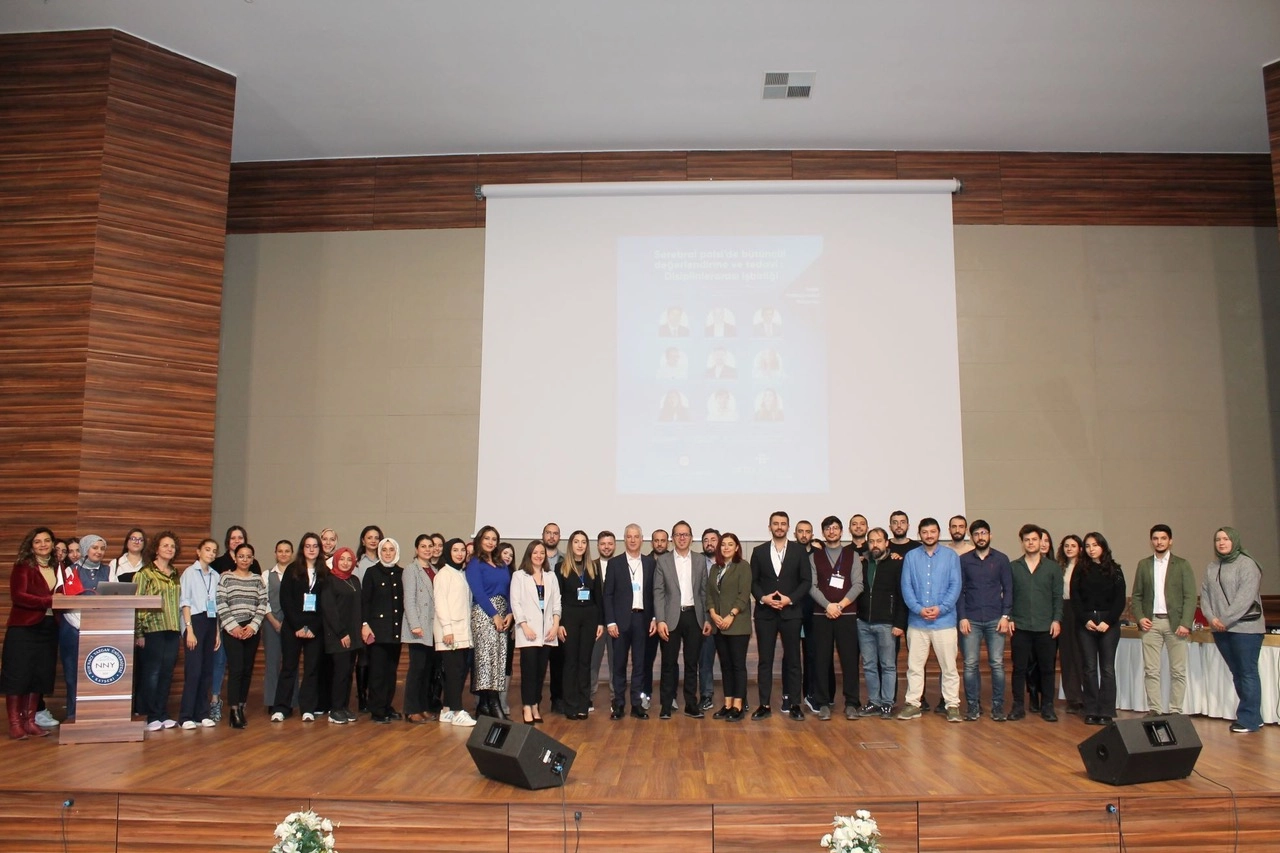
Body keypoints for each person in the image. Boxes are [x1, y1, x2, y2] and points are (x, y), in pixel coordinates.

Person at [1200, 527, 1266, 733]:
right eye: (1218, 539)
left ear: (1234, 541)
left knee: (1247, 672)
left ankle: (1248, 720)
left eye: (1226, 539)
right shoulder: (1212, 567)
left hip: (1246, 628)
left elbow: (1245, 598)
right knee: (1237, 672)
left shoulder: (1247, 564)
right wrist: (1212, 618)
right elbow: (1205, 596)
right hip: (1221, 629)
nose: (1221, 543)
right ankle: (1254, 716)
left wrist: (1224, 619)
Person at [897, 518, 963, 722]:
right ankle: (913, 704)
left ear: (938, 533)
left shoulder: (951, 556)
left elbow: (955, 585)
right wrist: (918, 609)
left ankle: (952, 705)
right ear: (919, 534)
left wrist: (941, 608)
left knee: (949, 667)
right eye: (925, 532)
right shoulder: (911, 557)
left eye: (932, 531)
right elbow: (906, 586)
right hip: (917, 622)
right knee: (915, 667)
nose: (929, 535)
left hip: (944, 622)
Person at [749, 510, 811, 721]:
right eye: (775, 524)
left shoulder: (799, 551)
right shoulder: (758, 551)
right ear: (770, 527)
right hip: (765, 613)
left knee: (793, 660)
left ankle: (794, 704)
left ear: (788, 527)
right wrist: (763, 598)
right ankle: (764, 704)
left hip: (791, 612)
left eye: (783, 524)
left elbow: (806, 581)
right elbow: (753, 582)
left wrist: (790, 599)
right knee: (765, 661)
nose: (779, 527)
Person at [1130, 524, 1197, 716]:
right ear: (1151, 541)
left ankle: (1176, 710)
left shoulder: (1182, 564)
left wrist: (1185, 623)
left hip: (1175, 623)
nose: (1159, 542)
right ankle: (1155, 709)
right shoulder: (1144, 564)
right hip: (1151, 623)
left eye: (1163, 538)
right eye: (1155, 538)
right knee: (1151, 670)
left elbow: (1190, 596)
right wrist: (1140, 617)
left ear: (1170, 541)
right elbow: (1136, 595)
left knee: (1178, 670)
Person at [3, 528, 59, 739]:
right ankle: (15, 723)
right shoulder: (23, 566)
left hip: (49, 627)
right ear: (31, 545)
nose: (43, 544)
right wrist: (48, 601)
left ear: (53, 544)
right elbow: (18, 596)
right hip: (24, 627)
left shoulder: (58, 567)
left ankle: (30, 721)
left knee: (39, 675)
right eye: (38, 541)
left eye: (47, 540)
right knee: (18, 675)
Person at [807, 516, 863, 721]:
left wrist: (839, 606)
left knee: (849, 659)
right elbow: (811, 586)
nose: (832, 531)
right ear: (823, 532)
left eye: (835, 528)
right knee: (821, 659)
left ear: (841, 532)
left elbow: (858, 584)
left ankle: (852, 703)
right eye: (828, 528)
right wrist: (828, 605)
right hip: (821, 614)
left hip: (846, 614)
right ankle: (823, 702)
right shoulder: (814, 557)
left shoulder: (852, 555)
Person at [653, 520, 710, 719]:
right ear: (672, 538)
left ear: (691, 538)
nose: (682, 538)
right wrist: (660, 620)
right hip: (670, 618)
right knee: (668, 663)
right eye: (678, 534)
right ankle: (666, 704)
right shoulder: (663, 561)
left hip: (694, 616)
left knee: (692, 663)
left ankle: (691, 704)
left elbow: (704, 592)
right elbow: (658, 592)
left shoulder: (700, 560)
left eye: (685, 534)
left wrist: (707, 619)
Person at [957, 520, 1012, 721]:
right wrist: (962, 617)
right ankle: (973, 706)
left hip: (995, 619)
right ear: (971, 537)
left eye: (984, 533)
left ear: (990, 535)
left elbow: (1009, 589)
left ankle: (997, 707)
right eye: (976, 534)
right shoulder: (963, 560)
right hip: (970, 619)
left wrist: (1006, 616)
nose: (980, 537)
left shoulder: (1001, 559)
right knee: (970, 664)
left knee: (997, 664)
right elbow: (959, 591)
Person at [1008, 525, 1063, 722]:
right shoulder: (1014, 567)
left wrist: (1056, 620)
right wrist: (1009, 617)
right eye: (1027, 540)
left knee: (1047, 669)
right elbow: (1008, 595)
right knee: (1019, 669)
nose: (1030, 543)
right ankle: (1018, 706)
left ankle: (1048, 706)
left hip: (1045, 626)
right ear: (1022, 543)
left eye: (1034, 539)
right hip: (1020, 626)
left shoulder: (1053, 568)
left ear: (1041, 542)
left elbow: (1057, 596)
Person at [55, 533, 112, 722]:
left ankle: (97, 716)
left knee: (97, 673)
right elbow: (62, 599)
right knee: (73, 674)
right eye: (95, 547)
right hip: (72, 627)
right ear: (86, 549)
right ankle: (73, 716)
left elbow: (117, 597)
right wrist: (80, 623)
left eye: (102, 548)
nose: (99, 552)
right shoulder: (70, 571)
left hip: (100, 628)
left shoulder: (109, 570)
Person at [272, 532, 327, 723]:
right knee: (289, 667)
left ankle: (308, 708)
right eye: (307, 546)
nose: (311, 549)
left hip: (315, 629)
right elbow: (285, 599)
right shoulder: (292, 569)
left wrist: (312, 627)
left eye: (315, 546)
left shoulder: (325, 572)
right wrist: (298, 625)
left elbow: (326, 604)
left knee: (311, 669)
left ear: (319, 549)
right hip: (292, 627)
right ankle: (281, 708)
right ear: (302, 549)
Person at [603, 523, 656, 720]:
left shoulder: (650, 563)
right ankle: (618, 704)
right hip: (620, 622)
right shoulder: (615, 563)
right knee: (619, 664)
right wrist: (610, 622)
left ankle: (637, 704)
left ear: (642, 539)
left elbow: (654, 593)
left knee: (640, 664)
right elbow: (607, 595)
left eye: (636, 536)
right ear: (624, 539)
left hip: (643, 619)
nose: (633, 540)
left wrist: (654, 617)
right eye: (629, 536)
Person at [1072, 533, 1126, 726]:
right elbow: (1075, 598)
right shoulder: (1080, 569)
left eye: (1095, 545)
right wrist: (1085, 619)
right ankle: (1091, 709)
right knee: (1089, 668)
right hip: (1086, 623)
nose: (1091, 549)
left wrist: (1108, 621)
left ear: (1103, 546)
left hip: (1108, 623)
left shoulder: (1115, 570)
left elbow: (1120, 599)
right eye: (1087, 546)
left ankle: (1106, 711)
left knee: (1107, 668)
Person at [134, 531, 183, 732]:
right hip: (152, 629)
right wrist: (139, 633)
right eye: (165, 545)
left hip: (172, 628)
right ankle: (149, 715)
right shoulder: (145, 573)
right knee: (151, 673)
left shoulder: (175, 574)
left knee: (166, 673)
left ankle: (162, 713)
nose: (170, 549)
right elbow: (137, 604)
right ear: (156, 548)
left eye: (172, 546)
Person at [216, 542, 268, 729]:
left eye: (248, 556)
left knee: (247, 669)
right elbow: (221, 602)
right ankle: (234, 710)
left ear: (252, 559)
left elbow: (263, 603)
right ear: (235, 558)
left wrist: (253, 626)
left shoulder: (257, 579)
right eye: (241, 556)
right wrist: (233, 627)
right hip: (232, 629)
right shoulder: (226, 578)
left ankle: (241, 705)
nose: (245, 559)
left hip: (251, 629)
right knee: (236, 669)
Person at [855, 528, 906, 718]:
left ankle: (887, 703)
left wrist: (899, 623)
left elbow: (901, 596)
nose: (875, 545)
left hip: (887, 623)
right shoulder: (862, 564)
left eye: (879, 541)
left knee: (888, 665)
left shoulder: (896, 564)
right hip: (863, 622)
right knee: (869, 665)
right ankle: (874, 701)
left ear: (886, 543)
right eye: (871, 541)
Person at [511, 542, 562, 724]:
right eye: (535, 552)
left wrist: (555, 625)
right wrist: (524, 626)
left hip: (547, 632)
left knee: (540, 672)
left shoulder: (551, 576)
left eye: (542, 553)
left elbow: (557, 603)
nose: (539, 556)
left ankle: (535, 705)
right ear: (529, 554)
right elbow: (515, 603)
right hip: (528, 632)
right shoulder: (519, 576)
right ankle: (527, 706)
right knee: (529, 671)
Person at [557, 531, 603, 721]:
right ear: (571, 545)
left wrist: (600, 622)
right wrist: (559, 623)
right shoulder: (561, 567)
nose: (580, 545)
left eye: (583, 542)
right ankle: (570, 705)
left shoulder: (593, 567)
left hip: (590, 617)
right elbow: (557, 598)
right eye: (576, 542)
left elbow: (598, 596)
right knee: (570, 662)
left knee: (585, 662)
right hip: (569, 616)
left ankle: (584, 705)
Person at [466, 525, 512, 719]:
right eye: (487, 538)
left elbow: (508, 590)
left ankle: (484, 706)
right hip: (484, 614)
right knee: (485, 660)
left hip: (502, 614)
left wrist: (509, 613)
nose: (490, 542)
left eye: (494, 539)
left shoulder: (501, 564)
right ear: (479, 540)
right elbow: (478, 592)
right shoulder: (475, 563)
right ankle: (493, 704)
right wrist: (494, 615)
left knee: (498, 660)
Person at [177, 538, 221, 729]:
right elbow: (185, 602)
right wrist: (189, 630)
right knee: (193, 670)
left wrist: (217, 632)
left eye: (214, 551)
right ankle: (185, 715)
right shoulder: (189, 572)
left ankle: (201, 713)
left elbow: (216, 606)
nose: (211, 553)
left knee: (206, 670)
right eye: (207, 549)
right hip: (194, 621)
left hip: (211, 621)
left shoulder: (215, 575)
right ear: (198, 551)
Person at [707, 533, 751, 722]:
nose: (726, 547)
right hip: (719, 625)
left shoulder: (743, 566)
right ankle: (727, 704)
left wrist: (731, 615)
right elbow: (709, 594)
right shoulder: (715, 568)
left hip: (737, 625)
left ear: (737, 547)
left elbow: (744, 594)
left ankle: (738, 706)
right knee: (725, 666)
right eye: (723, 544)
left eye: (730, 544)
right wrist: (713, 614)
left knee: (737, 665)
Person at [361, 537, 405, 724]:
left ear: (396, 552)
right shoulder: (372, 572)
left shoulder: (401, 573)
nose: (388, 553)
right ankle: (377, 710)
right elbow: (365, 601)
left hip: (395, 631)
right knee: (378, 672)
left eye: (391, 549)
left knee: (391, 671)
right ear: (380, 552)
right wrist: (364, 624)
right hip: (377, 631)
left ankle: (387, 705)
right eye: (384, 550)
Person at [434, 538, 476, 727]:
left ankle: (447, 710)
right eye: (455, 550)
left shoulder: (461, 573)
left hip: (462, 631)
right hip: (450, 632)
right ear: (448, 552)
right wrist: (447, 629)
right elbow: (441, 603)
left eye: (462, 550)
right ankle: (458, 711)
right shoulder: (443, 574)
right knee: (453, 673)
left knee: (458, 672)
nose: (460, 553)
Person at [321, 547, 362, 725]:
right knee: (340, 673)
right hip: (338, 635)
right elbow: (329, 610)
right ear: (336, 561)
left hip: (354, 635)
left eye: (349, 559)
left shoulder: (354, 580)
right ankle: (335, 709)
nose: (345, 562)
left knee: (348, 672)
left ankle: (344, 706)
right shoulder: (329, 581)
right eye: (342, 559)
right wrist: (342, 633)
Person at [402, 534, 438, 723]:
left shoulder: (434, 570)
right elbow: (409, 599)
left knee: (427, 670)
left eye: (430, 546)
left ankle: (423, 707)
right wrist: (415, 625)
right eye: (423, 546)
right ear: (416, 549)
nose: (427, 549)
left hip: (432, 627)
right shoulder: (411, 569)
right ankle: (411, 709)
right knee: (416, 670)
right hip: (418, 627)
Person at [261, 539, 293, 713]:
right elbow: (263, 600)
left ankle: (289, 701)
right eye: (280, 551)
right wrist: (273, 621)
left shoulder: (298, 574)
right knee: (272, 662)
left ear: (292, 554)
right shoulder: (267, 575)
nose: (283, 554)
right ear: (275, 553)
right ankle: (272, 700)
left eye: (287, 551)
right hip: (271, 621)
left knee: (290, 662)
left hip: (291, 622)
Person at [1056, 535, 1085, 714]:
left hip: (1080, 610)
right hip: (1063, 610)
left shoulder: (1085, 568)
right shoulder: (1059, 567)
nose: (1069, 549)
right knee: (1066, 655)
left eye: (1073, 546)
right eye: (1066, 545)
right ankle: (1072, 698)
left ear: (1080, 548)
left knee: (1081, 653)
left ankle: (1085, 695)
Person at [589, 531, 618, 712]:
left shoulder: (621, 565)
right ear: (598, 546)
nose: (606, 547)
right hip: (596, 625)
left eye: (610, 543)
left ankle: (616, 698)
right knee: (592, 662)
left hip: (616, 623)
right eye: (603, 544)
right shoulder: (590, 566)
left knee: (616, 663)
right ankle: (588, 697)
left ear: (614, 545)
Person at [541, 524, 565, 715]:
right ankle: (533, 701)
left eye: (555, 533)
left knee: (558, 664)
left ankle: (557, 699)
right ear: (543, 535)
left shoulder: (565, 560)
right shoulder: (534, 557)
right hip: (536, 620)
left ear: (559, 537)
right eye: (548, 533)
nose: (551, 536)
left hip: (557, 620)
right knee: (537, 665)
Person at [697, 528, 721, 711]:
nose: (709, 543)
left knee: (732, 661)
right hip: (705, 619)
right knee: (705, 660)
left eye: (713, 539)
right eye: (706, 540)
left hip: (729, 619)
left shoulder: (731, 561)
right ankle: (706, 695)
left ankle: (738, 697)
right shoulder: (696, 562)